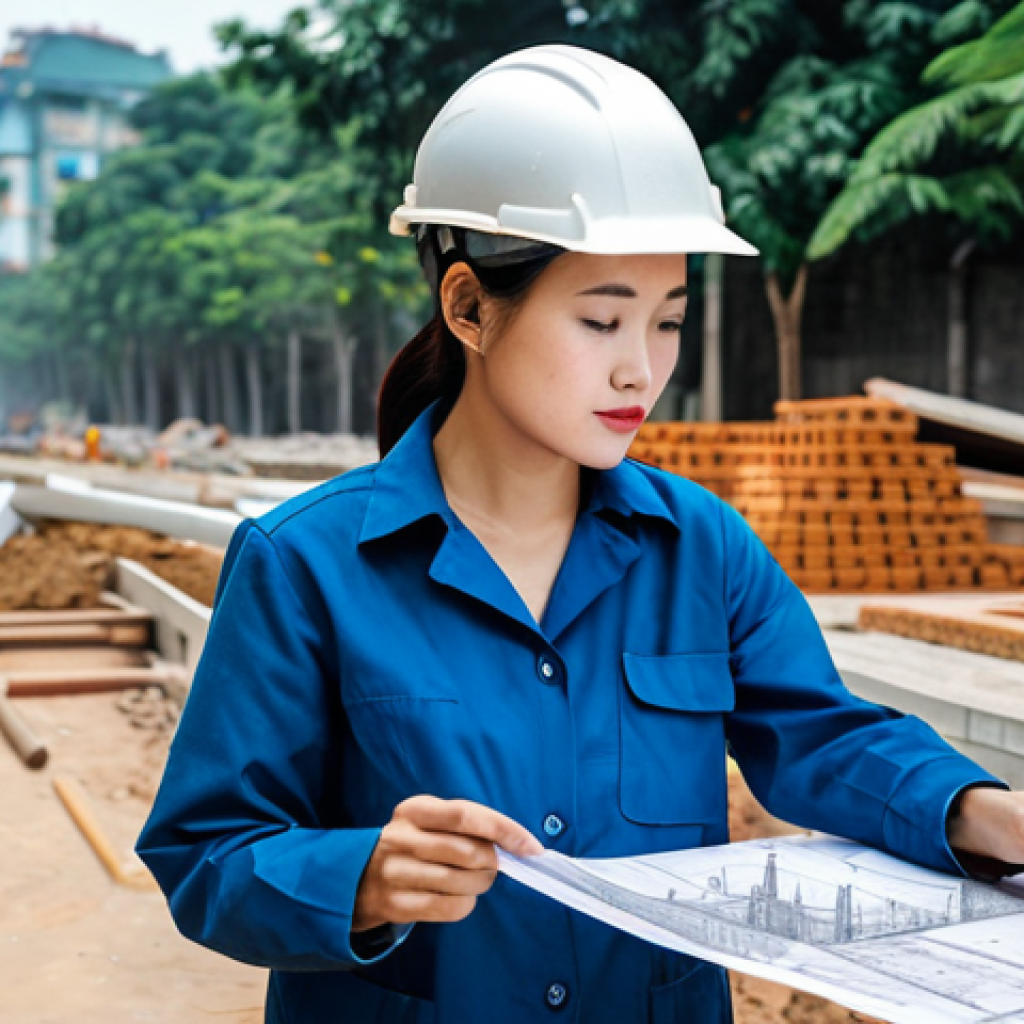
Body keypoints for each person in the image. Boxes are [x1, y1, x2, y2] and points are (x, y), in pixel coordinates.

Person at [137, 45, 1024, 1024]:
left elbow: (823, 735)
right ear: (469, 306)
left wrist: (978, 810)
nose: (641, 372)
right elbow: (206, 850)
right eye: (601, 322)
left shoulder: (703, 551)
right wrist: (359, 875)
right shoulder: (306, 565)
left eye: (667, 322)